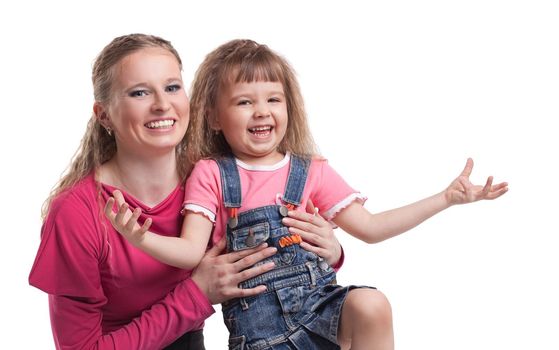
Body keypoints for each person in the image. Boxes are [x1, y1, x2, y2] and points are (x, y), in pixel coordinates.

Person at [106, 39, 508, 350]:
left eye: (272, 100)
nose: (261, 111)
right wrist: (141, 237)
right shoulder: (211, 174)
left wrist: (444, 198)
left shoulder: (310, 169)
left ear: (289, 107)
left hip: (321, 313)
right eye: (244, 102)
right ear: (213, 116)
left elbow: (370, 228)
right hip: (259, 336)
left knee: (373, 305)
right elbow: (192, 252)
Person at [28, 34, 343, 350]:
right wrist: (197, 293)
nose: (162, 105)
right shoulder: (76, 213)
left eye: (172, 87)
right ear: (104, 115)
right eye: (139, 93)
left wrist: (330, 251)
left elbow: (274, 265)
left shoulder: (211, 180)